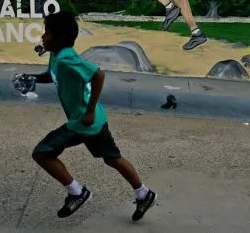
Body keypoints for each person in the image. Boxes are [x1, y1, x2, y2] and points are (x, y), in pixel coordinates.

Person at [21, 11, 157, 221]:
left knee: (42, 153)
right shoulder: (56, 56)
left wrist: (90, 110)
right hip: (93, 121)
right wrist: (33, 78)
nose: (43, 37)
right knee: (112, 159)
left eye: (47, 33)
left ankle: (77, 192)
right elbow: (53, 75)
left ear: (60, 38)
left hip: (84, 122)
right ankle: (144, 194)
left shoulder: (67, 58)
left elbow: (98, 75)